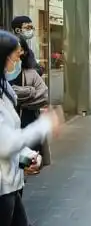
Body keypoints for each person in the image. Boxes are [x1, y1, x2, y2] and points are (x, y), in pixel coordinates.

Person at [0, 30, 60, 226]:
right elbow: (5, 143)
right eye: (16, 55)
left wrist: (27, 159)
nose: (19, 60)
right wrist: (44, 125)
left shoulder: (4, 89)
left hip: (10, 187)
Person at [10, 45, 50, 174]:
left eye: (21, 53)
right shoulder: (4, 91)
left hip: (13, 183)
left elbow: (43, 95)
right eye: (15, 55)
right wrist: (29, 91)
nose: (18, 59)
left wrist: (30, 159)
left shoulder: (30, 73)